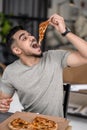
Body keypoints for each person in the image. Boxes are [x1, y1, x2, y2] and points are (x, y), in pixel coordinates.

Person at [0, 14, 87, 117]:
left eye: (30, 35)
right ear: (17, 50)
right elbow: (3, 103)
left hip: (55, 125)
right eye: (24, 38)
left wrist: (65, 31)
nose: (32, 37)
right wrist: (2, 106)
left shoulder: (54, 57)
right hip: (28, 124)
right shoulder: (11, 72)